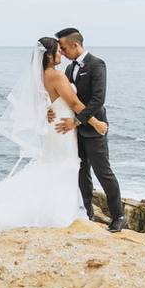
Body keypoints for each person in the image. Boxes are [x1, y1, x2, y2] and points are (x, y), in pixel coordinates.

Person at [0, 36, 108, 250]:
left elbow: (45, 102)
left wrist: (49, 110)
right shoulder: (55, 76)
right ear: (49, 55)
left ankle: (58, 208)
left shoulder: (41, 76)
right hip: (63, 129)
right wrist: (96, 123)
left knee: (55, 166)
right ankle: (59, 213)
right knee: (63, 166)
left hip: (56, 127)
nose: (61, 54)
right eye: (58, 51)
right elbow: (73, 102)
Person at [49, 28, 126, 233]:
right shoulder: (67, 70)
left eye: (64, 48)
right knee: (81, 172)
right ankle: (88, 213)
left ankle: (118, 216)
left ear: (75, 45)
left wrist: (77, 121)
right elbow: (67, 99)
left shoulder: (97, 64)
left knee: (103, 172)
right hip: (74, 133)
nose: (62, 52)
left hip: (93, 129)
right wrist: (49, 111)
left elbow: (98, 100)